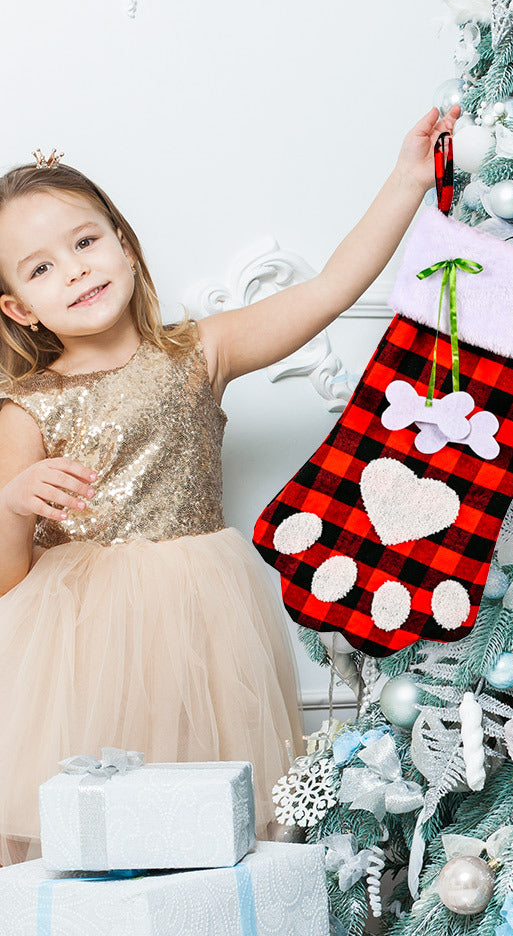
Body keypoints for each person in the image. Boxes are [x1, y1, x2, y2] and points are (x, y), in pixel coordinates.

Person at [0, 106, 461, 864]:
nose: (76, 269)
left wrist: (408, 178)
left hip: (203, 626)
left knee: (211, 831)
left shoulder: (197, 352)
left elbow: (330, 290)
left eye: (85, 242)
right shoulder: (29, 408)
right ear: (19, 307)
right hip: (79, 651)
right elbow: (8, 575)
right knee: (99, 838)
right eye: (41, 267)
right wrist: (14, 502)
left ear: (123, 242)